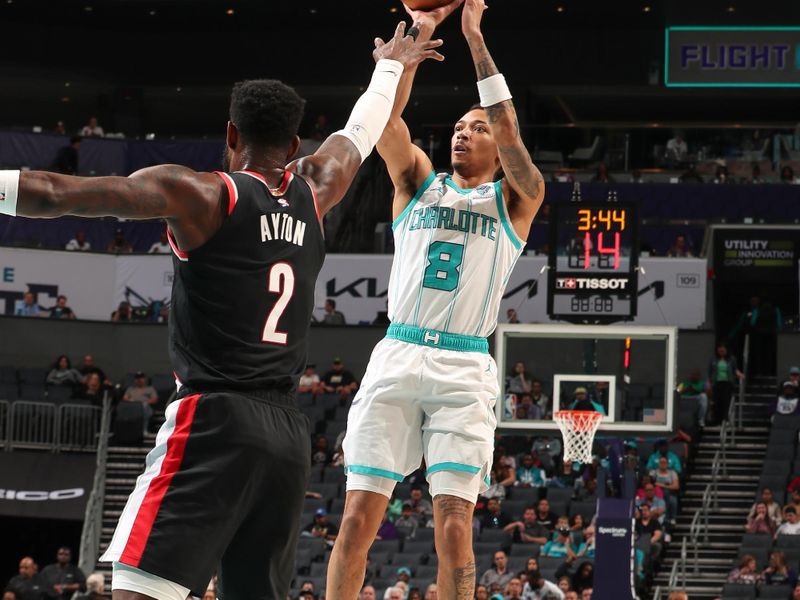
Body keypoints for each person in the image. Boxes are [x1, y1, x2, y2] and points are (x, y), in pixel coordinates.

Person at [1, 24, 441, 599]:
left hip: (213, 420)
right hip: (286, 437)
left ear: (230, 133)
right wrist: (394, 65)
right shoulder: (316, 189)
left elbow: (56, 193)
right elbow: (364, 126)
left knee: (136, 591)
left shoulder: (202, 194)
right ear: (295, 144)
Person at [328, 3, 545, 599]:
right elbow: (387, 125)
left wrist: (474, 37)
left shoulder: (517, 199)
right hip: (396, 354)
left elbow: (509, 127)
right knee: (354, 523)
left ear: (498, 147)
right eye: (457, 125)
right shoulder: (415, 182)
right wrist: (416, 43)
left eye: (476, 128)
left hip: (463, 365)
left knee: (454, 529)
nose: (462, 131)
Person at [707, 342, 744, 425]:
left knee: (726, 401)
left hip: (727, 383)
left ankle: (725, 419)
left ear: (726, 349)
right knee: (717, 402)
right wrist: (708, 384)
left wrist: (739, 374)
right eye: (720, 348)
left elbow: (735, 369)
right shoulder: (713, 359)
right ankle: (717, 420)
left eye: (723, 348)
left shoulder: (731, 359)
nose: (721, 350)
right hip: (716, 383)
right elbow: (709, 373)